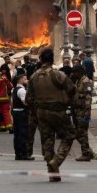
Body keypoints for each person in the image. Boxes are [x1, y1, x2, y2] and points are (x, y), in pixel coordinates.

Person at [25, 48, 76, 182]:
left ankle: (52, 172)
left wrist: (35, 113)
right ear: (52, 60)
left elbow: (28, 99)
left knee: (47, 142)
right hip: (58, 111)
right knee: (69, 135)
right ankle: (57, 161)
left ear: (41, 60)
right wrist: (68, 101)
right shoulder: (58, 75)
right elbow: (71, 89)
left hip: (41, 112)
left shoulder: (33, 76)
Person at [70, 61, 94, 161]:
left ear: (79, 72)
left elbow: (88, 97)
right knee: (79, 132)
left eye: (74, 72)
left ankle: (86, 153)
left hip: (83, 111)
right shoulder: (78, 81)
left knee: (82, 132)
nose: (73, 74)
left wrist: (87, 112)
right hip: (77, 111)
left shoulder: (85, 81)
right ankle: (88, 151)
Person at [12, 73, 34, 160]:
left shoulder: (14, 89)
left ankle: (18, 153)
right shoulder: (22, 90)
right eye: (25, 79)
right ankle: (23, 154)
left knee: (17, 134)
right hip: (21, 113)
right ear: (20, 80)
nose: (27, 80)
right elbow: (25, 102)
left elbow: (12, 102)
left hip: (16, 112)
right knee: (23, 133)